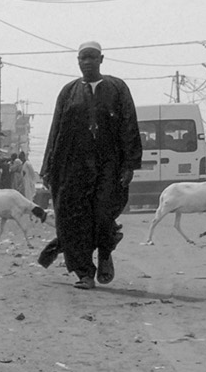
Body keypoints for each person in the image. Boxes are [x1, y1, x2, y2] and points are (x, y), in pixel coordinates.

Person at [38, 42, 141, 289]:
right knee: (73, 219)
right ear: (78, 61)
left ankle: (105, 251)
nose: (87, 62)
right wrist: (48, 167)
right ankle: (85, 272)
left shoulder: (117, 88)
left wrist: (129, 165)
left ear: (102, 59)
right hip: (73, 166)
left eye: (92, 57)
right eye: (83, 58)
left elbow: (129, 125)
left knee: (103, 213)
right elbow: (56, 130)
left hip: (109, 165)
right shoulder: (68, 92)